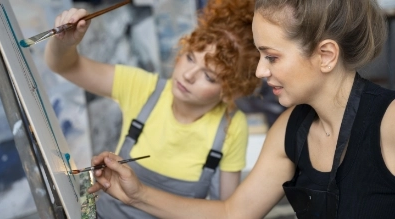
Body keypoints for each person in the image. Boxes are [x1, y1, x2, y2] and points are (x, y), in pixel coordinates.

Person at [88, 0, 395, 218]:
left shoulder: (389, 121)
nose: (261, 71)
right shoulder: (289, 130)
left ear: (326, 55)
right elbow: (232, 212)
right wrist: (136, 193)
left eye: (271, 57)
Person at [44, 0, 260, 218]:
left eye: (208, 76)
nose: (188, 75)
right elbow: (64, 65)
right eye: (190, 57)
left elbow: (226, 212)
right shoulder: (143, 88)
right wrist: (64, 43)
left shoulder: (231, 126)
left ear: (231, 90)